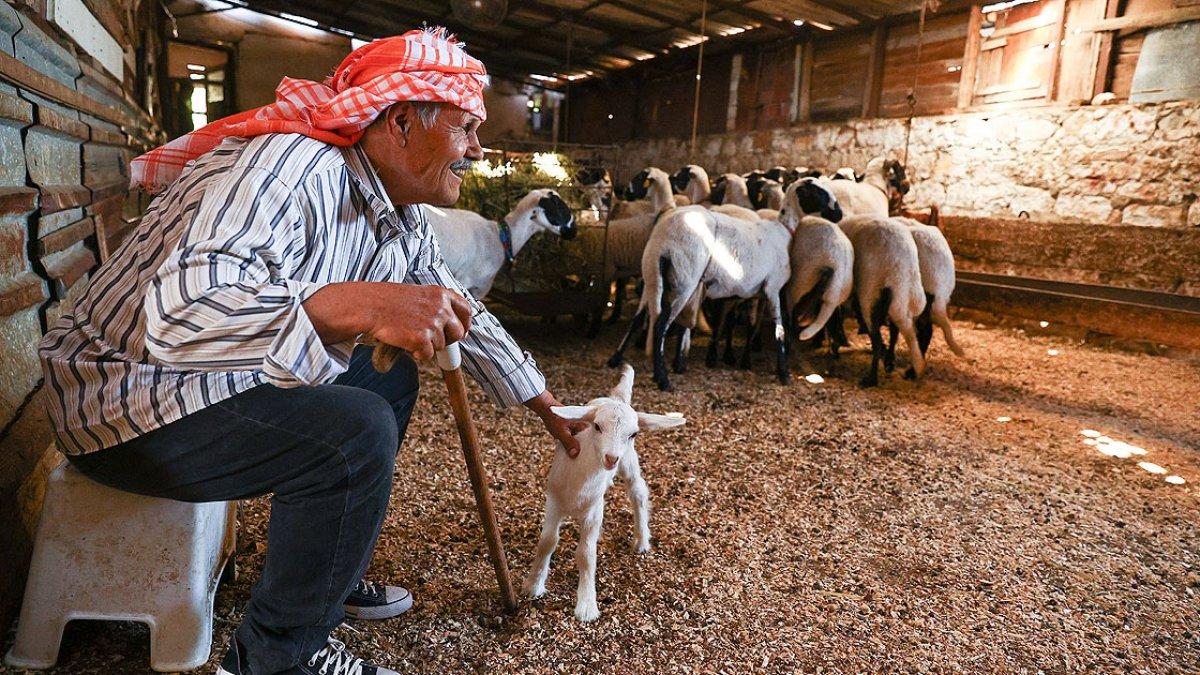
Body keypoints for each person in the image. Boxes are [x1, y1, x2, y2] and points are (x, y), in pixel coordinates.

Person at [38, 28, 584, 675]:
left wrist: (547, 403)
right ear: (403, 121)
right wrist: (359, 304)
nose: (477, 148)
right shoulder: (288, 166)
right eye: (467, 127)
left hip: (202, 382)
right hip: (125, 398)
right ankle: (274, 657)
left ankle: (322, 573)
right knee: (355, 431)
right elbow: (183, 314)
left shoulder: (395, 214)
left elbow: (458, 302)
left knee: (388, 383)